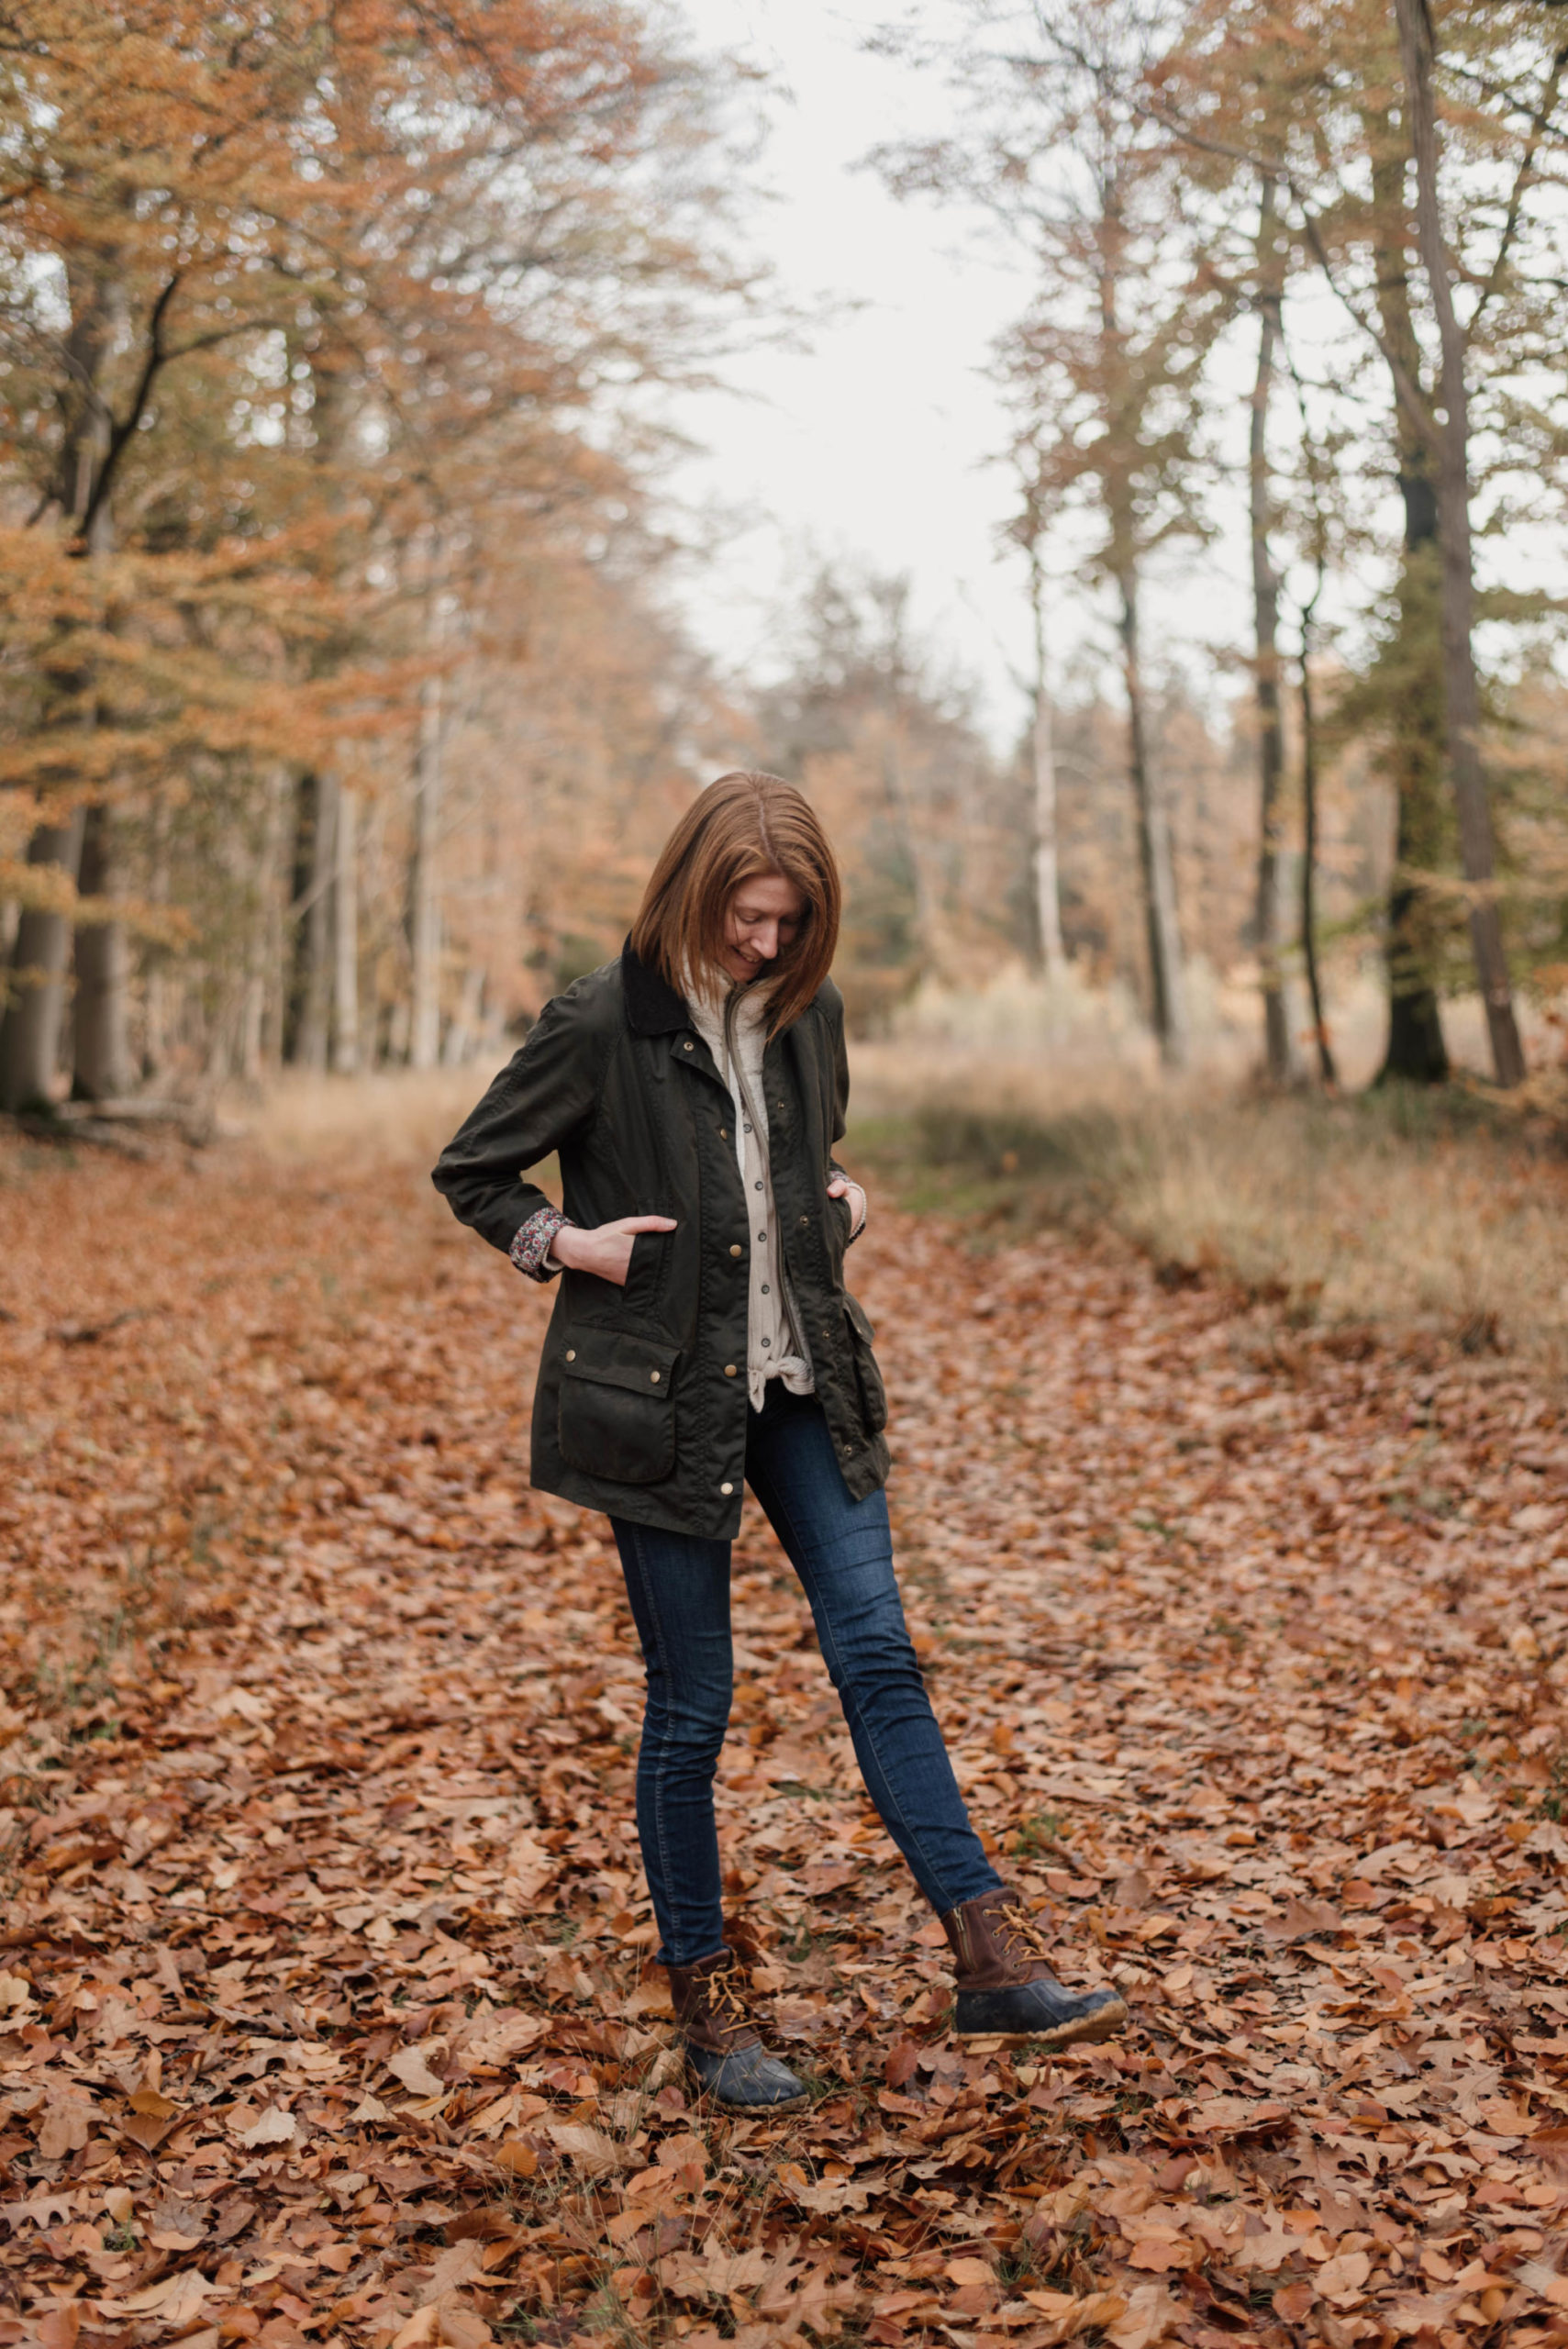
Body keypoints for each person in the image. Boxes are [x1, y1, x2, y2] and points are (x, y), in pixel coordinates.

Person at [432, 772, 1126, 2107]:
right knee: (693, 1708)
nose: (765, 946)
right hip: (661, 1399)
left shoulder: (810, 1016)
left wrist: (844, 1200)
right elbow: (473, 1171)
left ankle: (990, 1959)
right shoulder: (597, 1024)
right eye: (748, 919)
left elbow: (814, 1163)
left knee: (878, 1650)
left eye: (788, 925)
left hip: (803, 1379)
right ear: (696, 890)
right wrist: (563, 1243)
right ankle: (711, 2009)